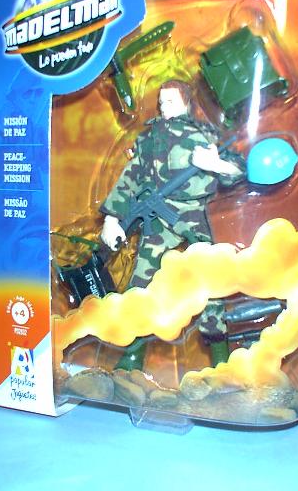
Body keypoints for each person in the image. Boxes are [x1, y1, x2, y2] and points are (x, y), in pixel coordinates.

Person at [100, 79, 245, 370]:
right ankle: (131, 355)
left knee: (210, 280)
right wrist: (111, 219)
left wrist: (215, 165)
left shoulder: (204, 135)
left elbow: (240, 168)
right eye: (161, 102)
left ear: (187, 103)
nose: (164, 107)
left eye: (171, 101)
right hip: (157, 218)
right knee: (140, 284)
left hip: (193, 215)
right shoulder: (148, 139)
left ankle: (220, 357)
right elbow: (130, 177)